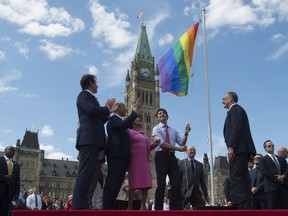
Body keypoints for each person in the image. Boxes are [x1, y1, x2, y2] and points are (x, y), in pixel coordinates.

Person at [72, 74, 116, 209]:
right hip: (88, 139)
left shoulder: (90, 98)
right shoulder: (84, 95)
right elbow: (91, 111)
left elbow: (99, 120)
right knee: (85, 173)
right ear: (91, 83)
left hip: (94, 140)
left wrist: (108, 113)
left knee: (89, 174)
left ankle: (82, 203)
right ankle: (78, 205)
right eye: (96, 83)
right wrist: (107, 108)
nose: (97, 86)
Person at [102, 98, 142, 209]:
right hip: (116, 154)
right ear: (118, 109)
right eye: (124, 107)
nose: (125, 109)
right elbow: (124, 124)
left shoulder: (119, 120)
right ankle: (106, 207)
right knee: (112, 181)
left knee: (118, 182)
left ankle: (110, 206)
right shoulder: (113, 119)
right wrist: (135, 110)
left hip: (123, 156)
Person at [222, 91, 256, 209]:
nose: (222, 101)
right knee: (243, 177)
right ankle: (245, 205)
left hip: (238, 150)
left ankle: (240, 205)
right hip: (241, 149)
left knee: (236, 177)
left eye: (224, 99)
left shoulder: (235, 109)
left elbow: (236, 128)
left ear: (231, 99)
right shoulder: (237, 110)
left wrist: (231, 146)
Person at [152, 108, 191, 210]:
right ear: (157, 118)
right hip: (161, 156)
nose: (162, 114)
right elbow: (162, 144)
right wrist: (178, 149)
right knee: (161, 184)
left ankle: (175, 209)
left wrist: (186, 133)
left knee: (176, 184)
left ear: (167, 116)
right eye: (160, 113)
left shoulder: (173, 130)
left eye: (164, 113)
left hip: (172, 157)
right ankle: (158, 209)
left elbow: (182, 143)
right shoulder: (156, 129)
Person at [127, 117, 160, 210]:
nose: (139, 120)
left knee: (145, 184)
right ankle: (130, 207)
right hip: (135, 159)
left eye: (139, 119)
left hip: (145, 160)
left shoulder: (143, 133)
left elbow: (147, 148)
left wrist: (155, 144)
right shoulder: (129, 132)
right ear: (132, 123)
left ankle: (143, 207)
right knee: (133, 182)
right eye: (136, 119)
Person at [260, 140, 288, 209]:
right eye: (269, 146)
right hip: (271, 188)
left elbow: (287, 169)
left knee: (284, 208)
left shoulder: (281, 159)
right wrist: (276, 178)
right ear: (265, 148)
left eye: (272, 145)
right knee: (272, 209)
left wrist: (283, 176)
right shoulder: (263, 160)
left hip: (283, 187)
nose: (272, 147)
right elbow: (264, 172)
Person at [0, 146, 20, 216]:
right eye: (11, 149)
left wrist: (16, 193)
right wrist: (3, 177)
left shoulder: (16, 165)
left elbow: (17, 180)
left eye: (14, 150)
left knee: (5, 212)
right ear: (5, 150)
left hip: (9, 193)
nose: (13, 151)